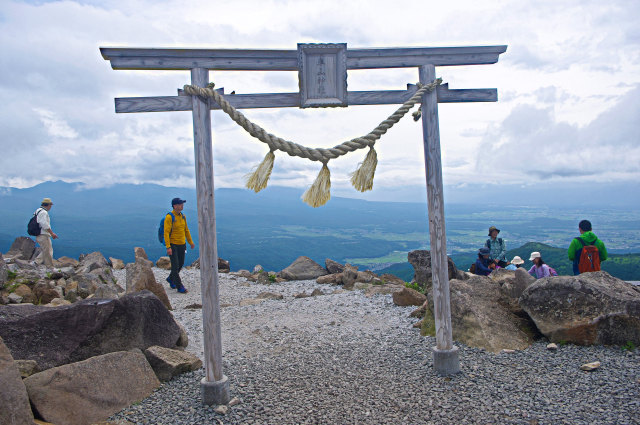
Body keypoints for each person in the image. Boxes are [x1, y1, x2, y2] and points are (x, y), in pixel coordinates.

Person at [164, 198, 195, 294]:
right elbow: (166, 232)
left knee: (180, 264)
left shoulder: (183, 216)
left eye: (182, 204)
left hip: (182, 244)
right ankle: (179, 286)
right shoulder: (169, 217)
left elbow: (186, 230)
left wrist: (190, 242)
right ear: (175, 206)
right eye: (180, 204)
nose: (182, 205)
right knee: (175, 265)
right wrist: (168, 247)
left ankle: (170, 278)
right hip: (173, 245)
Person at [34, 198, 58, 268]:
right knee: (47, 251)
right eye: (50, 205)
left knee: (47, 249)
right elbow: (44, 225)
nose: (51, 207)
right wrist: (52, 233)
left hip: (39, 234)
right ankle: (49, 267)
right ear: (48, 205)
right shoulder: (44, 212)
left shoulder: (38, 211)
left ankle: (36, 262)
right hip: (43, 234)